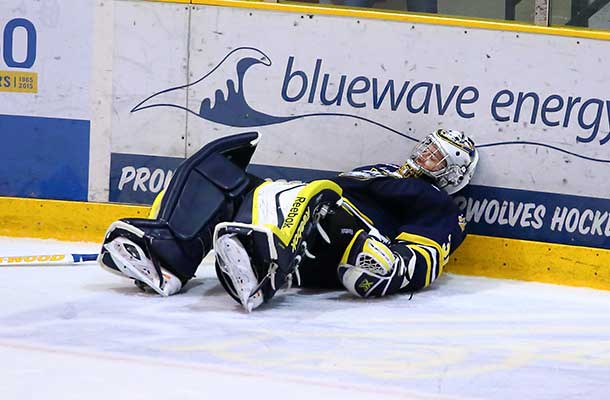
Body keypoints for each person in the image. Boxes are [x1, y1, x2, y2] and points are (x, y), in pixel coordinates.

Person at [98, 129, 478, 312]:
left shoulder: (439, 202)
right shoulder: (380, 170)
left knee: (321, 190)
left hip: (342, 240)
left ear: (452, 173)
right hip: (307, 220)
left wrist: (390, 266)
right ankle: (167, 259)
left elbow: (427, 252)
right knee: (224, 175)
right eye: (427, 147)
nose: (425, 155)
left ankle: (262, 270)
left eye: (437, 157)